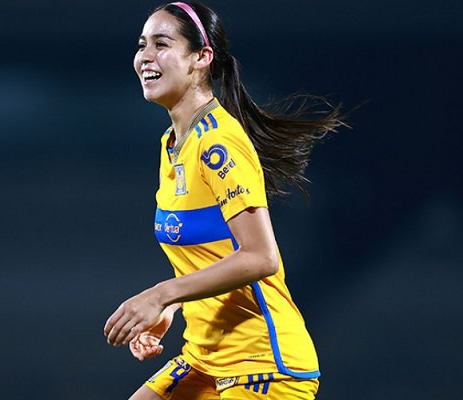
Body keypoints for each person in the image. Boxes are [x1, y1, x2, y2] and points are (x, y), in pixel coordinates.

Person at [104, 1, 346, 399]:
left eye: (161, 44)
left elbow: (261, 257)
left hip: (263, 366)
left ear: (201, 57)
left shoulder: (219, 142)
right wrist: (170, 308)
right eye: (142, 44)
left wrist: (162, 294)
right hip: (204, 357)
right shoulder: (172, 144)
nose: (145, 56)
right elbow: (211, 253)